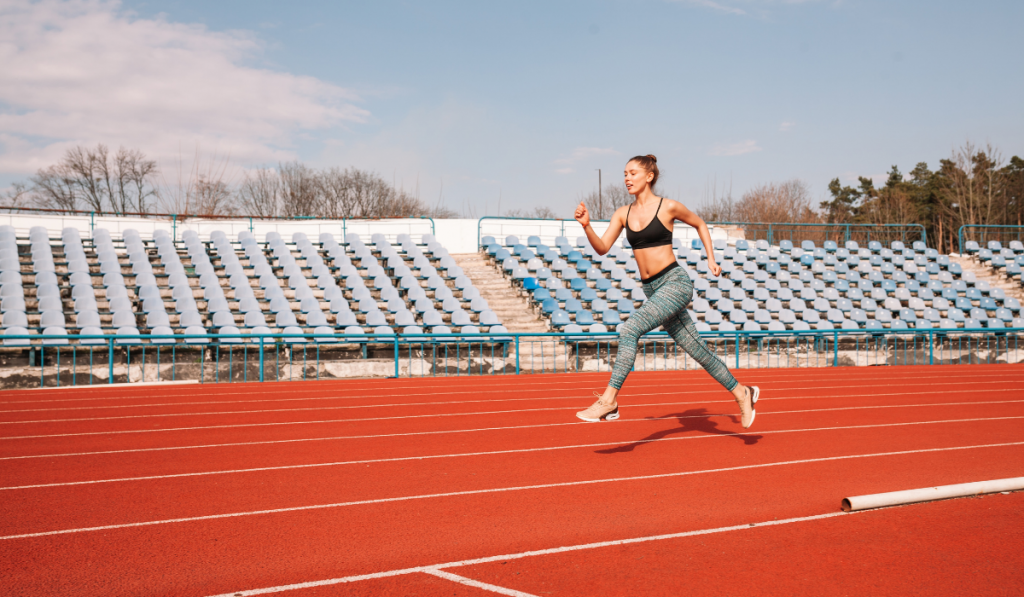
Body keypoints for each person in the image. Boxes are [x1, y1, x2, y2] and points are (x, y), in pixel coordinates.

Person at [574, 154, 758, 428]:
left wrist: (711, 258)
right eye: (624, 173)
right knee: (698, 351)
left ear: (649, 176)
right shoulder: (622, 213)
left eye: (633, 173)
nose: (627, 178)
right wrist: (587, 226)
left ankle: (609, 400)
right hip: (652, 289)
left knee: (630, 329)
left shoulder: (667, 207)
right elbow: (602, 247)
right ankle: (742, 392)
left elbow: (699, 223)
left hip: (675, 283)